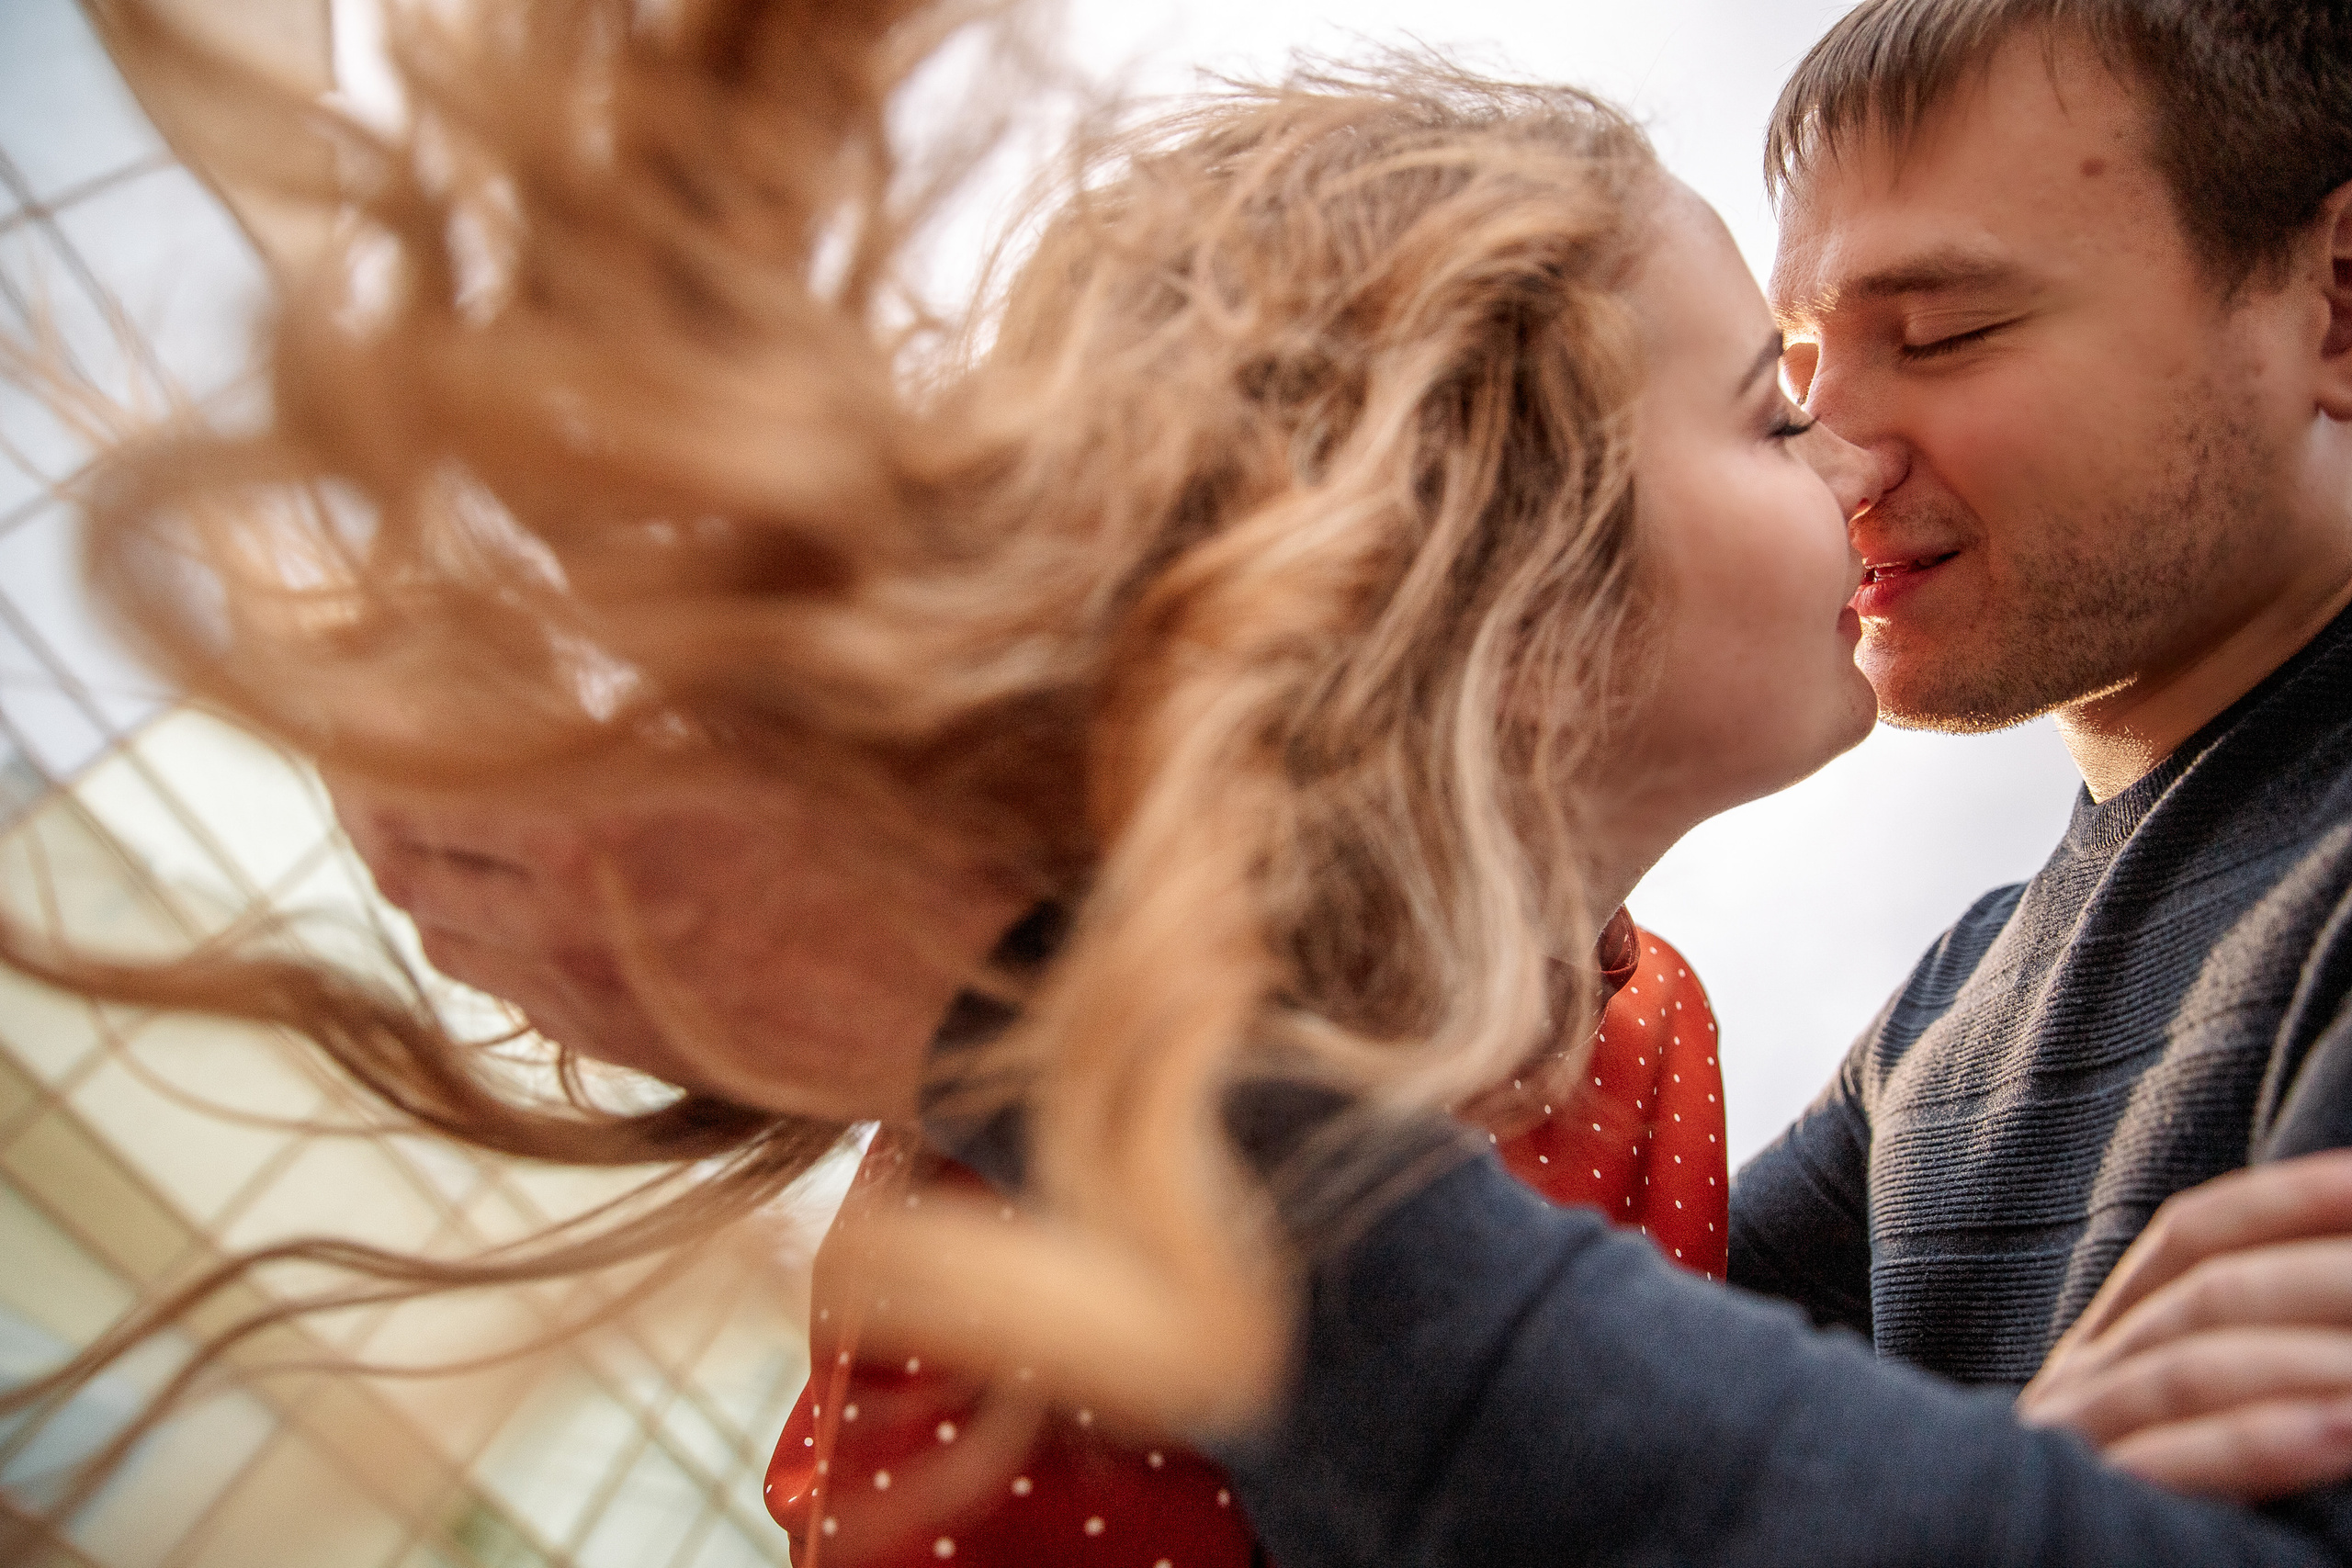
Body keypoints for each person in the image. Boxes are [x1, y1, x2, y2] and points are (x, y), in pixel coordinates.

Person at [9, 3, 2352, 1565]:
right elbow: (1641, 1426)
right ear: (1483, 561)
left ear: (2328, 309)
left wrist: (1019, 1023)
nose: (1842, 437)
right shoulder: (1884, 1002)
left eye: (1938, 334)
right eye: (1782, 385)